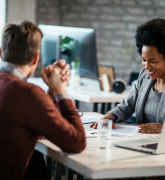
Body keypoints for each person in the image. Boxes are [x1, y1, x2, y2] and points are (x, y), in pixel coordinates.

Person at [0, 21, 86, 180]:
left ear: (0, 53)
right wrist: (61, 90)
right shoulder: (29, 94)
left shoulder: (24, 94)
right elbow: (77, 142)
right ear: (36, 57)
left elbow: (31, 122)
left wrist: (52, 92)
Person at [90, 18, 165, 135]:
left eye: (153, 61)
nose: (147, 66)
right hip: (142, 142)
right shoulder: (145, 76)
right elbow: (126, 106)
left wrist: (163, 128)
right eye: (144, 60)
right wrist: (110, 117)